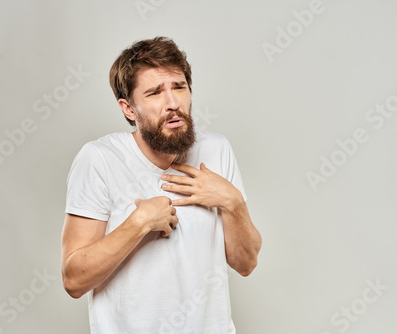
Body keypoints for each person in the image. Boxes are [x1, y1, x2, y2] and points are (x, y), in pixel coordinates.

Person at [61, 36, 262, 333]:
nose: (172, 103)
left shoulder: (217, 150)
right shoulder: (99, 160)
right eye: (155, 93)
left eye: (179, 87)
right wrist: (138, 223)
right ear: (129, 109)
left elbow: (246, 264)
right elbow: (74, 280)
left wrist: (232, 202)